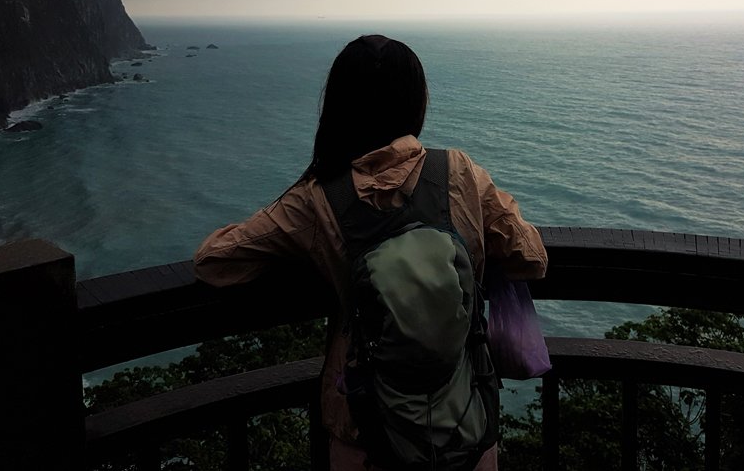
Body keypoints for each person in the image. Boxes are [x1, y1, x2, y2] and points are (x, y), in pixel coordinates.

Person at [194, 34, 548, 470]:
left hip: (364, 432)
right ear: (417, 102)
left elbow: (214, 261)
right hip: (466, 426)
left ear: (338, 107)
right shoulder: (459, 172)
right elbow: (531, 256)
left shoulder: (317, 200)